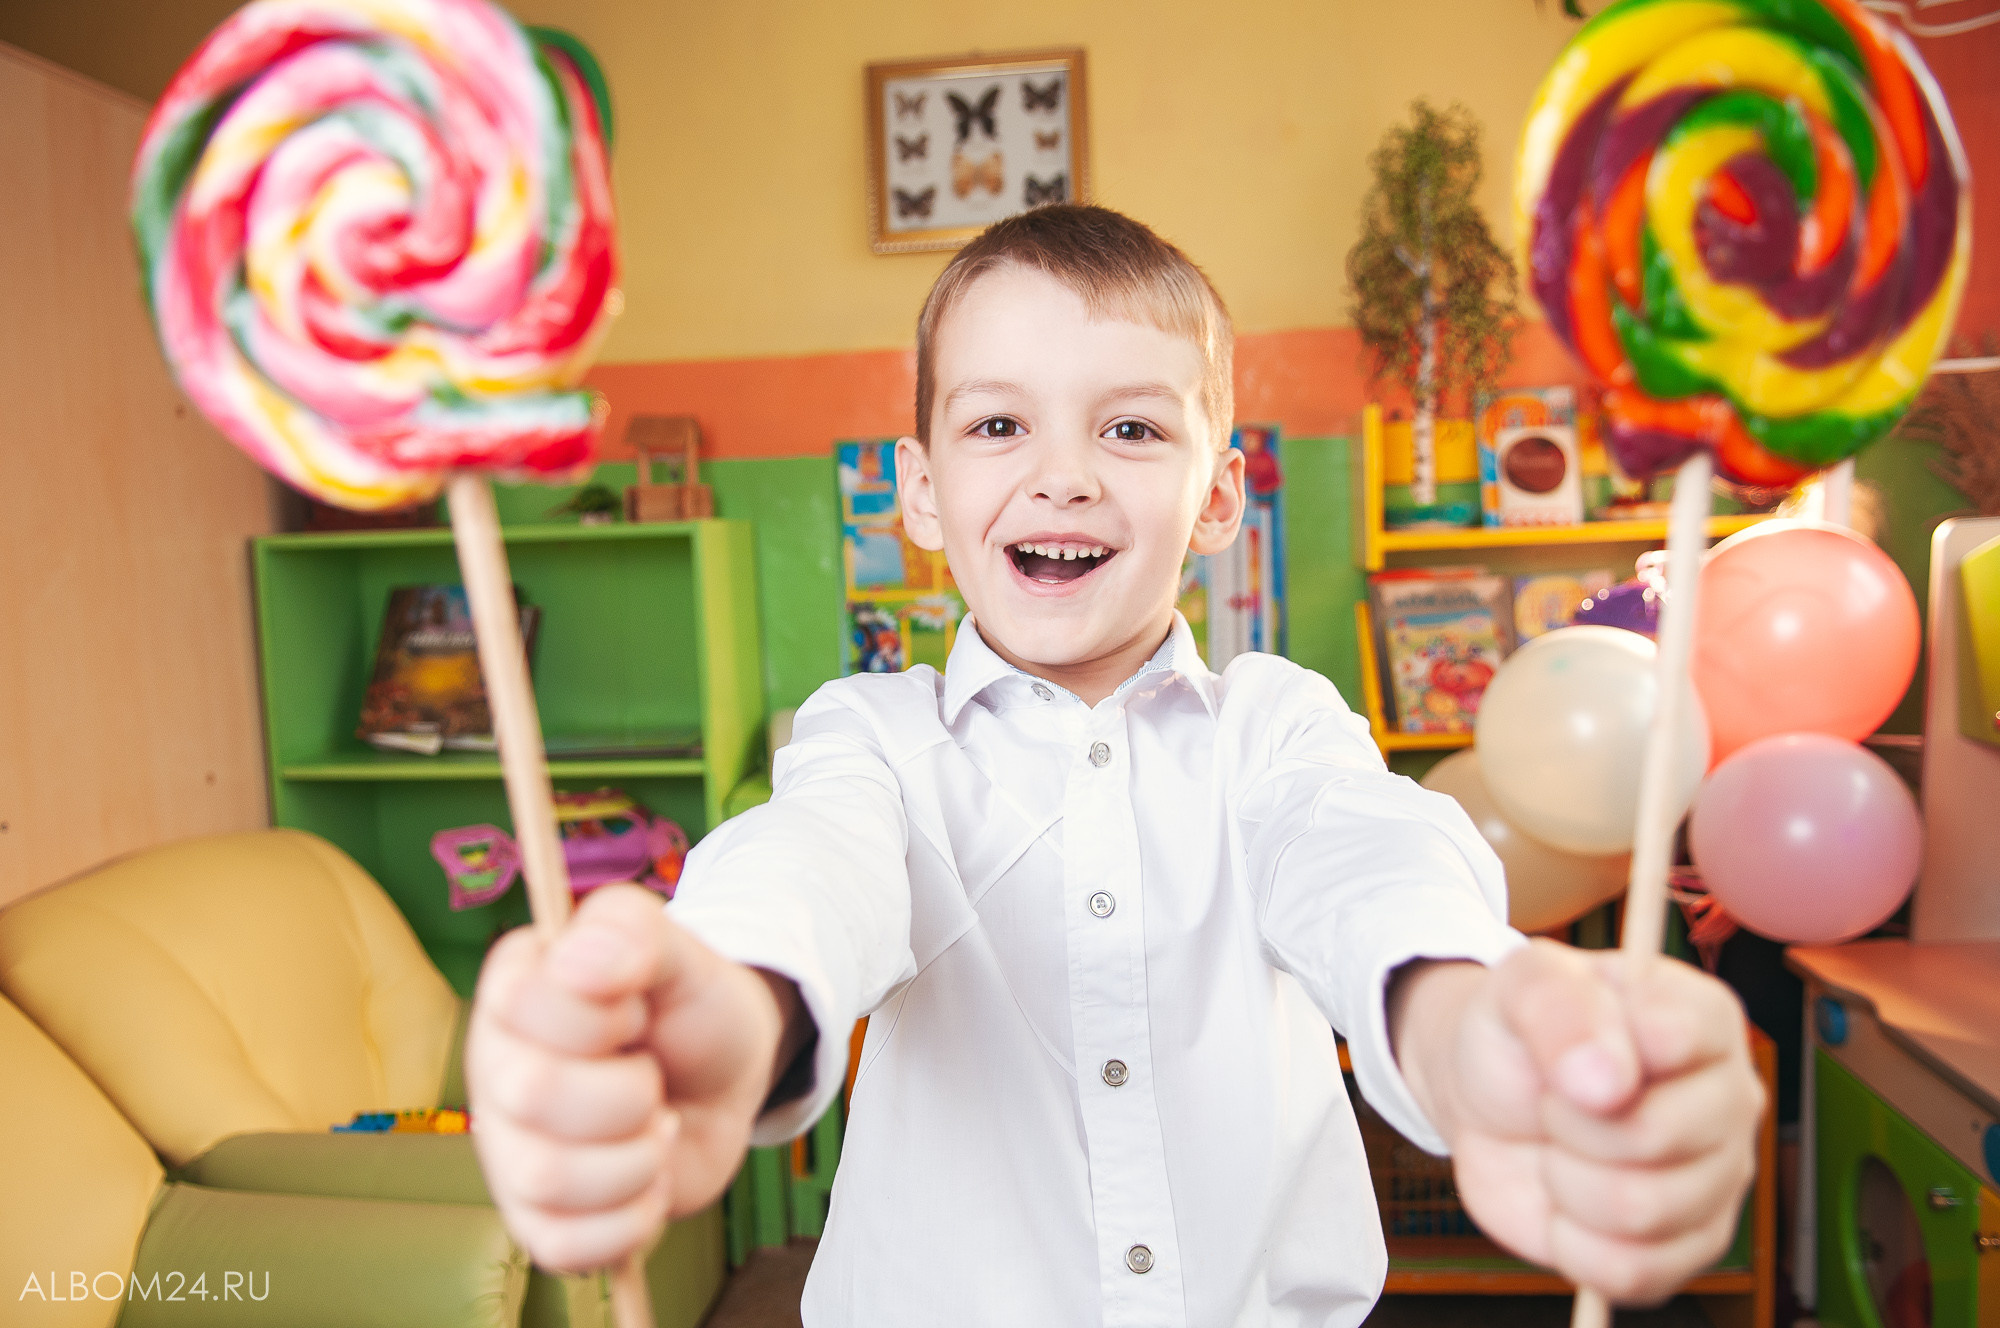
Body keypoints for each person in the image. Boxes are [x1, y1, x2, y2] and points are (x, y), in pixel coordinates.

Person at [465, 205, 1762, 1326]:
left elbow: (1370, 862)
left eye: (1133, 431)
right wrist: (728, 1008)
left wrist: (1484, 1031)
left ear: (1218, 497)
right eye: (997, 428)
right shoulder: (873, 738)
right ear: (918, 491)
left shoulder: (1279, 728)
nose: (1066, 477)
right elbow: (809, 872)